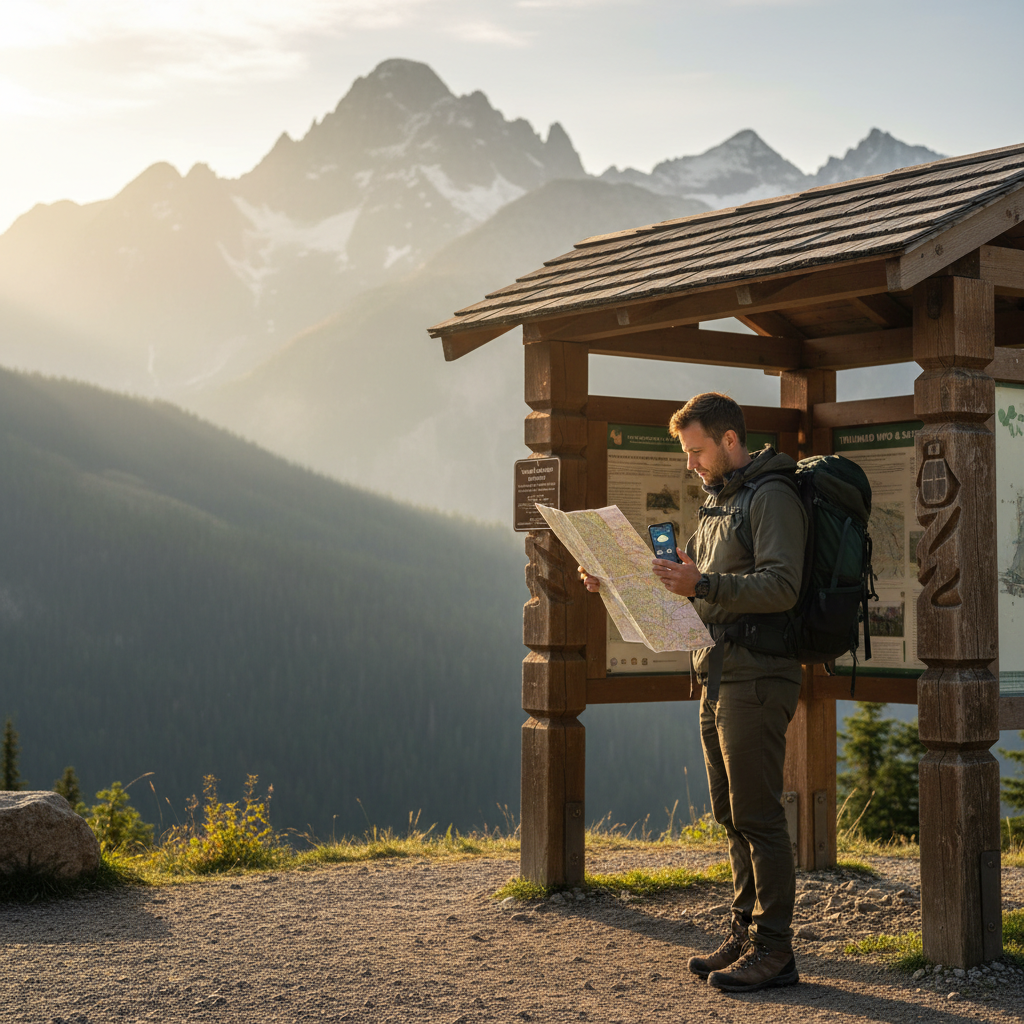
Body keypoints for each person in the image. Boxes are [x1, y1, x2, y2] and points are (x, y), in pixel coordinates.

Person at [579, 392, 807, 993]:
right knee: (731, 814)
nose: (690, 463)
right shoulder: (719, 503)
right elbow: (694, 590)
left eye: (696, 450)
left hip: (758, 675)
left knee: (758, 815)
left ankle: (777, 952)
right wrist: (619, 580)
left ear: (730, 440)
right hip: (716, 670)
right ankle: (744, 934)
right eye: (687, 452)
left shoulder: (772, 496)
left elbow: (782, 585)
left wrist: (701, 579)